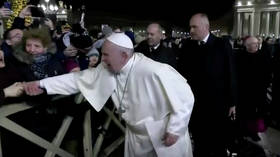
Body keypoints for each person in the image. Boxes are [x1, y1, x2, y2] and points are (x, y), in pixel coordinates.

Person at [24, 32, 194, 157]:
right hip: (135, 136)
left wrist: (175, 129)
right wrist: (41, 84)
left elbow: (185, 97)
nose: (102, 58)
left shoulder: (154, 70)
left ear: (124, 55)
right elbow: (77, 79)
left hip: (163, 136)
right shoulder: (108, 67)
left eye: (105, 54)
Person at [178, 13, 237, 157]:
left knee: (218, 143)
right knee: (199, 142)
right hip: (196, 105)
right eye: (190, 26)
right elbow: (181, 74)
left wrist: (232, 102)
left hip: (218, 105)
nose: (191, 30)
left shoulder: (222, 45)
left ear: (206, 27)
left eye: (194, 27)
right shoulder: (187, 46)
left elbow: (231, 73)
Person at [236, 36, 271, 141]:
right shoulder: (239, 56)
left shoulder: (263, 55)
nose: (255, 45)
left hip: (259, 91)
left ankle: (254, 132)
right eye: (251, 44)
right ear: (246, 45)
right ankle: (242, 131)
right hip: (244, 91)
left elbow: (268, 72)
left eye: (256, 43)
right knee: (243, 112)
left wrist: (265, 84)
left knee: (256, 114)